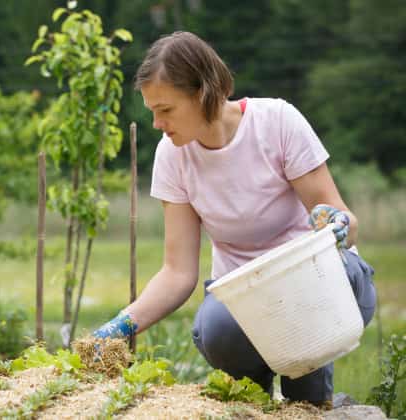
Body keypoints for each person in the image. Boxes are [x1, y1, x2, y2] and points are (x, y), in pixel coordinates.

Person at [91, 31, 377, 408]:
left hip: (319, 285)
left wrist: (335, 223)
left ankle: (312, 403)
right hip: (247, 298)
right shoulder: (172, 157)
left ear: (202, 94)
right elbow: (178, 273)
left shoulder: (277, 122)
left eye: (166, 109)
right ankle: (259, 402)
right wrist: (120, 326)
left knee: (304, 401)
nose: (157, 123)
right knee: (215, 330)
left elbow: (346, 223)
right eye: (152, 112)